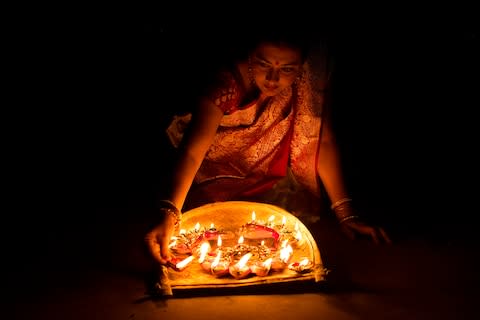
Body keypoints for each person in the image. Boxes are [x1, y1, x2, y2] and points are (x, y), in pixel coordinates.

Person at [144, 26, 391, 267]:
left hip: (265, 184)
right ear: (251, 56)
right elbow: (192, 152)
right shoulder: (224, 86)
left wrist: (346, 214)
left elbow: (322, 140)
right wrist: (169, 212)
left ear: (301, 66)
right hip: (204, 183)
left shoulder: (306, 81)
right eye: (264, 64)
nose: (273, 79)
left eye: (287, 69)